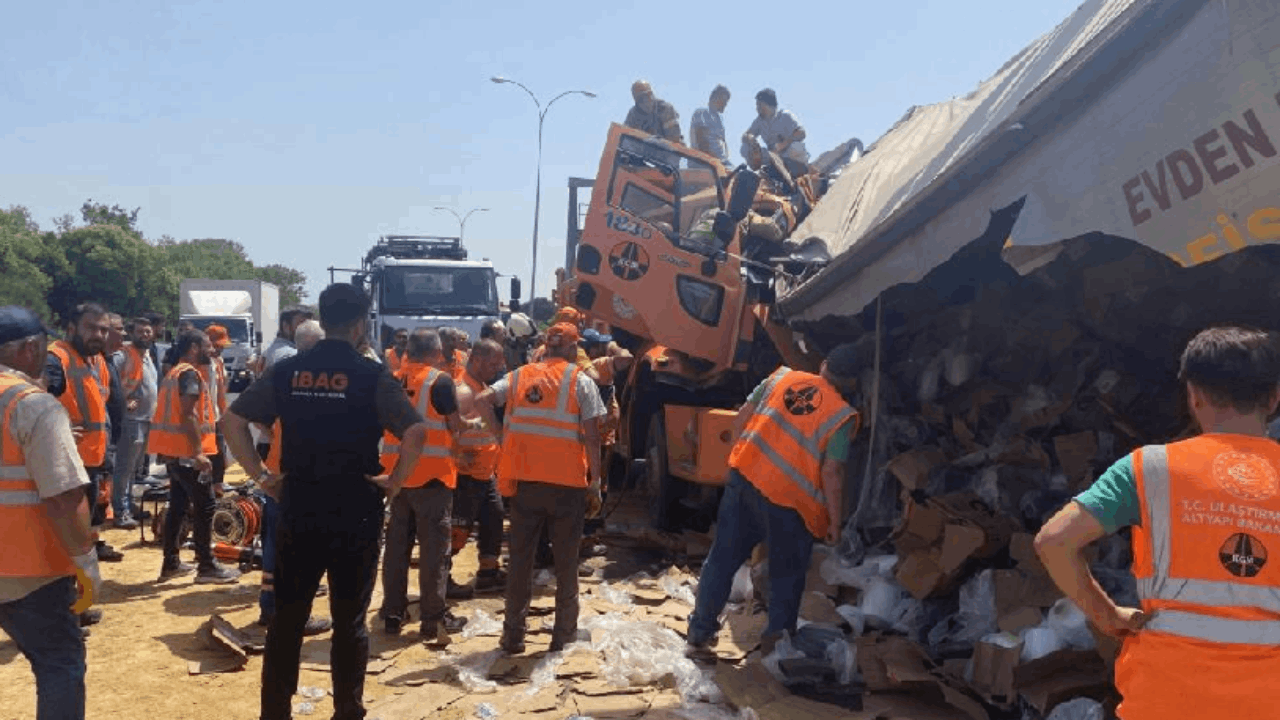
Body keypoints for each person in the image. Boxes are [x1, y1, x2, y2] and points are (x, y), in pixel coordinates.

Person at [1035, 326, 1280, 720]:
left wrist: (1108, 616)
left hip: (1165, 701)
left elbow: (1054, 541)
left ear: (1194, 397)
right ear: (1273, 399)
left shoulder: (1148, 469)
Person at [221, 283, 429, 720]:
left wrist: (261, 477)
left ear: (324, 316)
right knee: (349, 621)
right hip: (356, 511)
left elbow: (232, 419)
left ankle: (275, 712)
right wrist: (395, 482)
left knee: (287, 619)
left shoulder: (290, 370)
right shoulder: (371, 374)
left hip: (299, 507)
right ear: (359, 324)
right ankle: (348, 710)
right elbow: (415, 432)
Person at [687, 345, 861, 657]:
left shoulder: (781, 378)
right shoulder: (841, 416)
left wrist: (739, 459)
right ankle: (775, 651)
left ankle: (700, 630)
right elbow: (832, 472)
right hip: (790, 506)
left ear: (823, 365)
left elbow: (742, 417)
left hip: (745, 481)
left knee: (722, 558)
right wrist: (835, 522)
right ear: (851, 383)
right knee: (786, 577)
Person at [475, 322, 607, 654]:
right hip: (567, 486)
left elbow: (481, 399)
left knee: (520, 561)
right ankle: (563, 635)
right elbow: (592, 436)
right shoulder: (581, 381)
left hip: (524, 483)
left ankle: (513, 636)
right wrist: (596, 481)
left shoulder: (519, 376)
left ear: (546, 346)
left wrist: (501, 438)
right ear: (574, 349)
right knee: (566, 562)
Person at [0, 306, 102, 720]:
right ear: (28, 349)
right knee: (60, 663)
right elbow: (63, 496)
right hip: (29, 571)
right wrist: (86, 560)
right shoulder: (33, 406)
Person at [377, 328, 473, 642]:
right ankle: (433, 618)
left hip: (397, 477)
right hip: (432, 477)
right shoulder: (439, 381)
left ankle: (393, 611)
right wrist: (476, 425)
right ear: (434, 353)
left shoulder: (391, 378)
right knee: (434, 552)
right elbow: (454, 425)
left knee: (396, 548)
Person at [252, 317, 331, 636]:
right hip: (308, 476)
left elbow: (253, 419)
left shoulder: (279, 376)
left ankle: (270, 608)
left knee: (276, 542)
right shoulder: (325, 379)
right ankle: (294, 615)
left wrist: (272, 443)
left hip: (277, 472)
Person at [149, 329, 241, 585]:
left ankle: (171, 563)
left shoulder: (175, 371)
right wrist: (198, 452)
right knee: (206, 505)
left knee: (178, 505)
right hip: (188, 453)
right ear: (193, 348)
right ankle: (206, 566)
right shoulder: (189, 374)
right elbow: (188, 414)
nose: (211, 350)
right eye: (206, 345)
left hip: (175, 452)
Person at [46, 304, 122, 564]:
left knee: (85, 530)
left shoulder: (97, 361)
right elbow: (34, 404)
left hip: (92, 460)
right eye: (91, 328)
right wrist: (59, 428)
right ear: (70, 328)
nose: (99, 335)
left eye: (103, 329)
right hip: (66, 465)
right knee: (64, 537)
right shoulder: (56, 359)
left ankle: (76, 597)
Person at [449, 339, 509, 595]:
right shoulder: (462, 391)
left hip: (487, 472)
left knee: (493, 520)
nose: (497, 369)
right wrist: (457, 458)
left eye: (498, 364)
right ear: (476, 359)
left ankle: (488, 572)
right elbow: (445, 428)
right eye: (492, 363)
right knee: (457, 531)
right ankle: (442, 578)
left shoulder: (481, 388)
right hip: (466, 475)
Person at [110, 317, 158, 529]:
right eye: (140, 332)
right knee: (124, 467)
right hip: (131, 420)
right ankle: (121, 511)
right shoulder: (123, 356)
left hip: (146, 419)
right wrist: (122, 401)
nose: (145, 335)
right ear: (131, 333)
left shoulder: (147, 356)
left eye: (148, 332)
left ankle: (129, 504)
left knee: (134, 468)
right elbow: (110, 380)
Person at [741, 88, 810, 179]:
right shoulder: (759, 121)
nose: (757, 108)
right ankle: (759, 173)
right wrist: (750, 137)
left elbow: (802, 133)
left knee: (796, 147)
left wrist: (783, 144)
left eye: (759, 105)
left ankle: (797, 171)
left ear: (767, 104)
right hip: (773, 156)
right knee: (744, 148)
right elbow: (745, 135)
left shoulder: (785, 115)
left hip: (789, 155)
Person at [202, 325, 232, 487]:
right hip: (204, 417)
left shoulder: (218, 362)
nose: (220, 349)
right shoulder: (199, 363)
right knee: (208, 453)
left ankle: (218, 484)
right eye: (218, 345)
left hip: (216, 415)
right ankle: (211, 484)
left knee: (220, 452)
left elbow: (221, 390)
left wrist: (224, 414)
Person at [690, 85, 732, 166]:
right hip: (706, 164)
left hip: (719, 163)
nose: (725, 104)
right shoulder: (702, 113)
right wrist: (718, 162)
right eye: (723, 100)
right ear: (714, 98)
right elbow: (702, 143)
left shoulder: (718, 118)